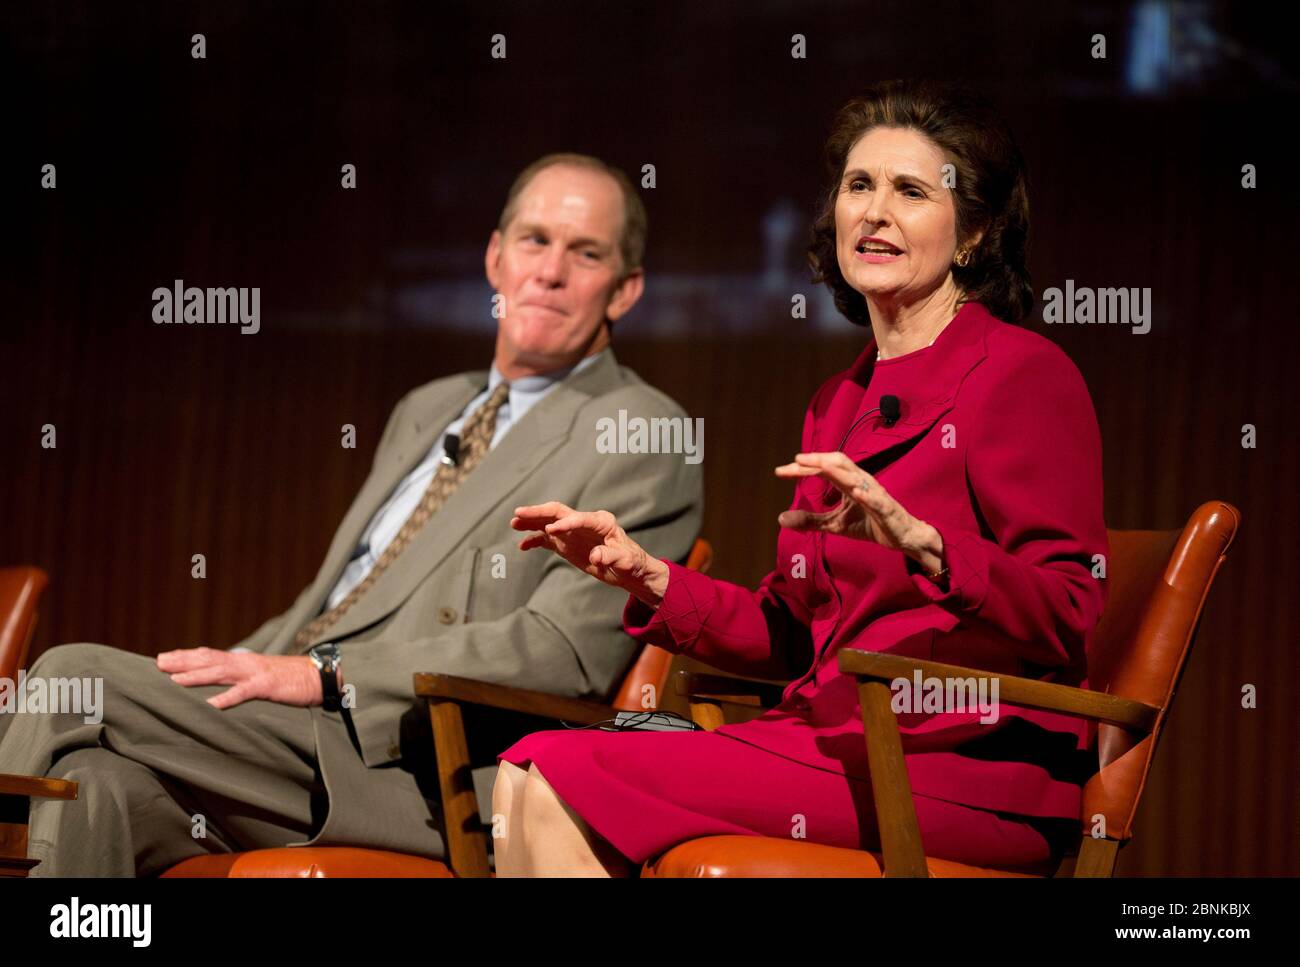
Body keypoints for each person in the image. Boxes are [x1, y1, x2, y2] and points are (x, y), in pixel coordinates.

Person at [0, 153, 702, 876]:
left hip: (407, 758)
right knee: (94, 788)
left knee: (70, 677)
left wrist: (329, 673)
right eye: (534, 240)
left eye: (584, 253)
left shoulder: (638, 430)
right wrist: (228, 674)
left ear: (626, 290)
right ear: (495, 258)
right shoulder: (428, 408)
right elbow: (327, 607)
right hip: (283, 733)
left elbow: (563, 656)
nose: (550, 270)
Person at [492, 80, 1109, 877]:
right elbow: (790, 632)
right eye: (859, 186)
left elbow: (1070, 608)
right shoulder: (840, 400)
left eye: (911, 191)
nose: (874, 211)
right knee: (529, 763)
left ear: (975, 233)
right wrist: (646, 575)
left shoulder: (1022, 376)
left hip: (963, 768)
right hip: (825, 740)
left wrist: (927, 545)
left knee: (557, 771)